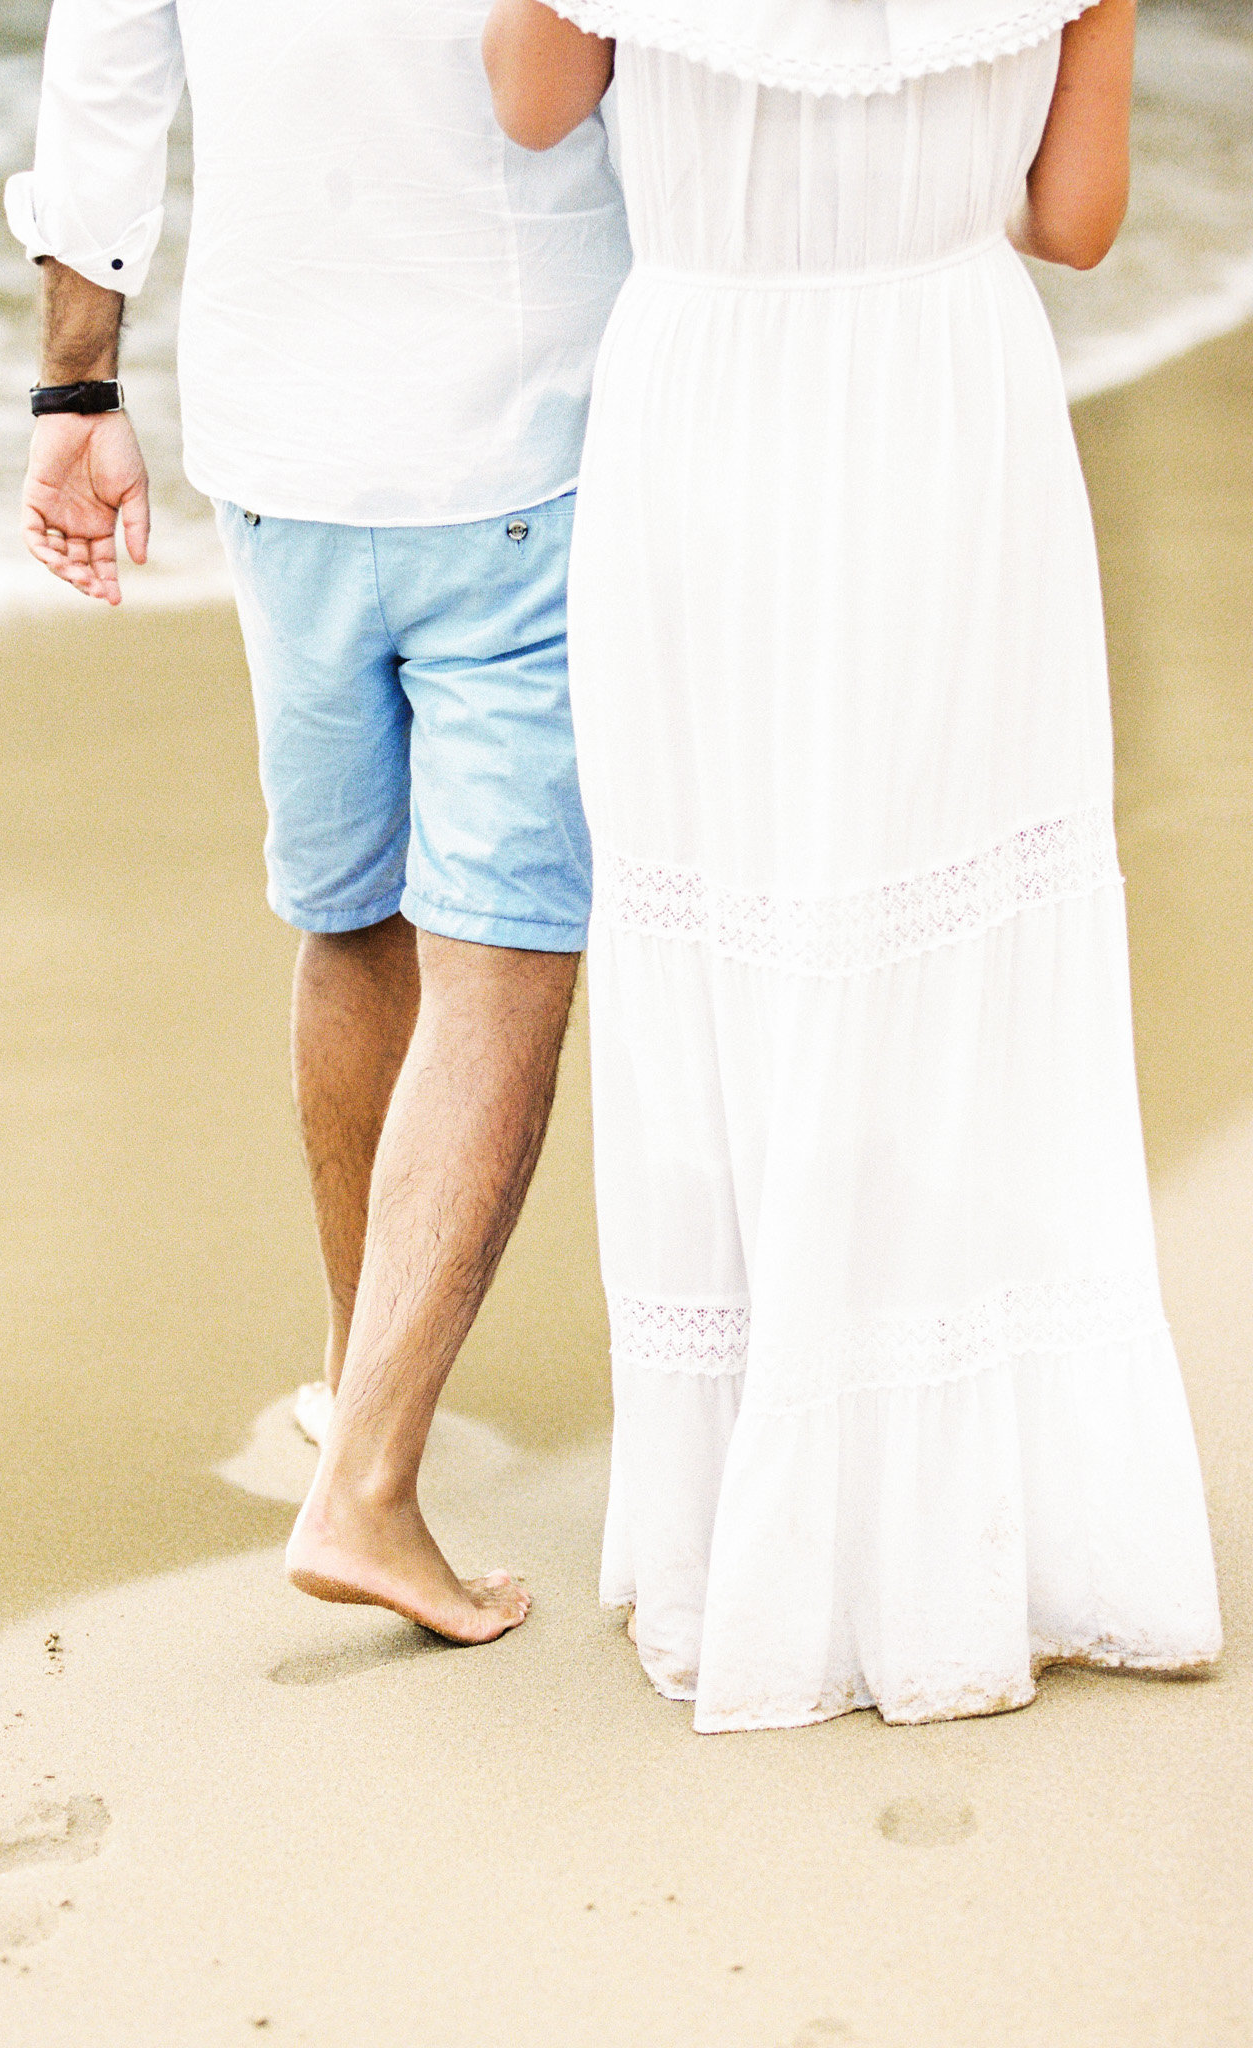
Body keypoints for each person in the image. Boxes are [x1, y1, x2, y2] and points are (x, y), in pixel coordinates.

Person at [483, 0, 1223, 1726]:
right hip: (952, 414)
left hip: (708, 420)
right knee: (948, 933)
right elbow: (1081, 220)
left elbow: (530, 109)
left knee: (738, 925)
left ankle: (754, 1513)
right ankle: (969, 1528)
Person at [8, 0, 630, 1644]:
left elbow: (106, 76)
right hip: (527, 431)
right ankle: (367, 1487)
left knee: (351, 923)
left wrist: (73, 390)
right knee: (504, 968)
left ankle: (360, 1388)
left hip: (280, 441)